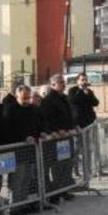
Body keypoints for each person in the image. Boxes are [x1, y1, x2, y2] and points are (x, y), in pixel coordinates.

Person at [2, 85, 45, 215]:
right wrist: (24, 137)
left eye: (28, 97)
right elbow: (9, 129)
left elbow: (37, 125)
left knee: (27, 177)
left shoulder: (33, 109)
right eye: (23, 97)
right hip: (17, 149)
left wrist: (39, 134)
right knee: (17, 179)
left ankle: (23, 203)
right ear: (17, 96)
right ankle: (15, 206)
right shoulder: (10, 109)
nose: (26, 100)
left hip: (31, 149)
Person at [40, 74, 78, 202]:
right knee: (58, 167)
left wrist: (73, 127)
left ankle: (65, 189)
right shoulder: (48, 100)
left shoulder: (65, 98)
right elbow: (46, 120)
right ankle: (57, 192)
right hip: (56, 139)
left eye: (63, 82)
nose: (63, 84)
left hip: (67, 136)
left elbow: (69, 115)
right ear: (53, 85)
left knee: (67, 164)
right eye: (60, 82)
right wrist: (56, 130)